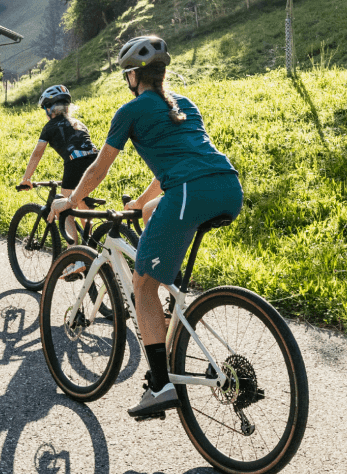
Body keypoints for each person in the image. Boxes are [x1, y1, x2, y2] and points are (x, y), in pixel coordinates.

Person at [53, 34, 243, 419]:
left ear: (133, 76)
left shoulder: (132, 110)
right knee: (153, 212)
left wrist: (70, 202)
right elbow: (178, 163)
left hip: (190, 191)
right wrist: (140, 203)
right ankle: (172, 307)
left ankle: (160, 384)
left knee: (142, 284)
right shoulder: (184, 104)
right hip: (226, 185)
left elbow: (98, 169)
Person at [19, 84, 99, 243]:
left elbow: (37, 153)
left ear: (49, 109)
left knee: (65, 205)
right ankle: (90, 243)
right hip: (95, 162)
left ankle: (74, 253)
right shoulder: (79, 123)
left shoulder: (49, 127)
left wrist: (26, 178)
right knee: (81, 200)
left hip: (74, 162)